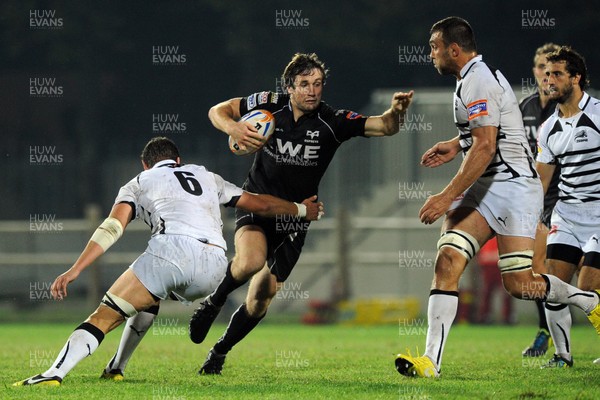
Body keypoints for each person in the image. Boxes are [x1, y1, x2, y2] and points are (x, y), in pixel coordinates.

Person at [13, 136, 323, 386]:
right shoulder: (206, 176)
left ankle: (52, 374)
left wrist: (75, 269)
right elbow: (260, 204)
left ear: (145, 163)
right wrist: (299, 210)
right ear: (178, 161)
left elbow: (112, 227)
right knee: (149, 297)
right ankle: (116, 367)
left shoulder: (139, 181)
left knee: (106, 315)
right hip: (214, 266)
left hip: (170, 254)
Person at [394, 17, 600, 379]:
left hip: (515, 190)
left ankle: (587, 300)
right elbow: (491, 133)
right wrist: (456, 143)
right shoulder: (471, 78)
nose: (431, 54)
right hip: (488, 188)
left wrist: (445, 196)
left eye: (434, 47)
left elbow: (487, 145)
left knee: (520, 285)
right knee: (447, 259)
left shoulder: (479, 80)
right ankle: (431, 362)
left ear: (453, 50)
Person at [187, 52, 414, 374]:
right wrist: (234, 128)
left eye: (318, 84)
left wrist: (398, 111)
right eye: (304, 84)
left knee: (260, 298)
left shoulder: (332, 121)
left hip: (296, 217)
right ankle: (213, 302)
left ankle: (219, 351)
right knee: (250, 262)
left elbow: (384, 127)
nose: (312, 90)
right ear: (289, 87)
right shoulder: (268, 103)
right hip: (257, 203)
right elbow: (217, 110)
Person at [536, 46, 600, 368]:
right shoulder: (547, 129)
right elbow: (541, 182)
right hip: (568, 214)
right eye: (547, 74)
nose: (549, 80)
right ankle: (563, 355)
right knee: (553, 287)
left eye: (557, 74)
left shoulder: (599, 113)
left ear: (576, 78)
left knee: (588, 287)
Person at [519, 42, 561, 357]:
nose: (546, 74)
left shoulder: (570, 110)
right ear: (534, 72)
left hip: (570, 196)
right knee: (536, 268)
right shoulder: (525, 107)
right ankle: (547, 331)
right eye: (541, 68)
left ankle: (554, 336)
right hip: (537, 200)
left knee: (584, 270)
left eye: (552, 69)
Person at [476, 238, 514, 325]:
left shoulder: (502, 232)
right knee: (487, 291)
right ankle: (484, 316)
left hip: (501, 265)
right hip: (488, 265)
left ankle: (507, 316)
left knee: (506, 291)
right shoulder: (486, 233)